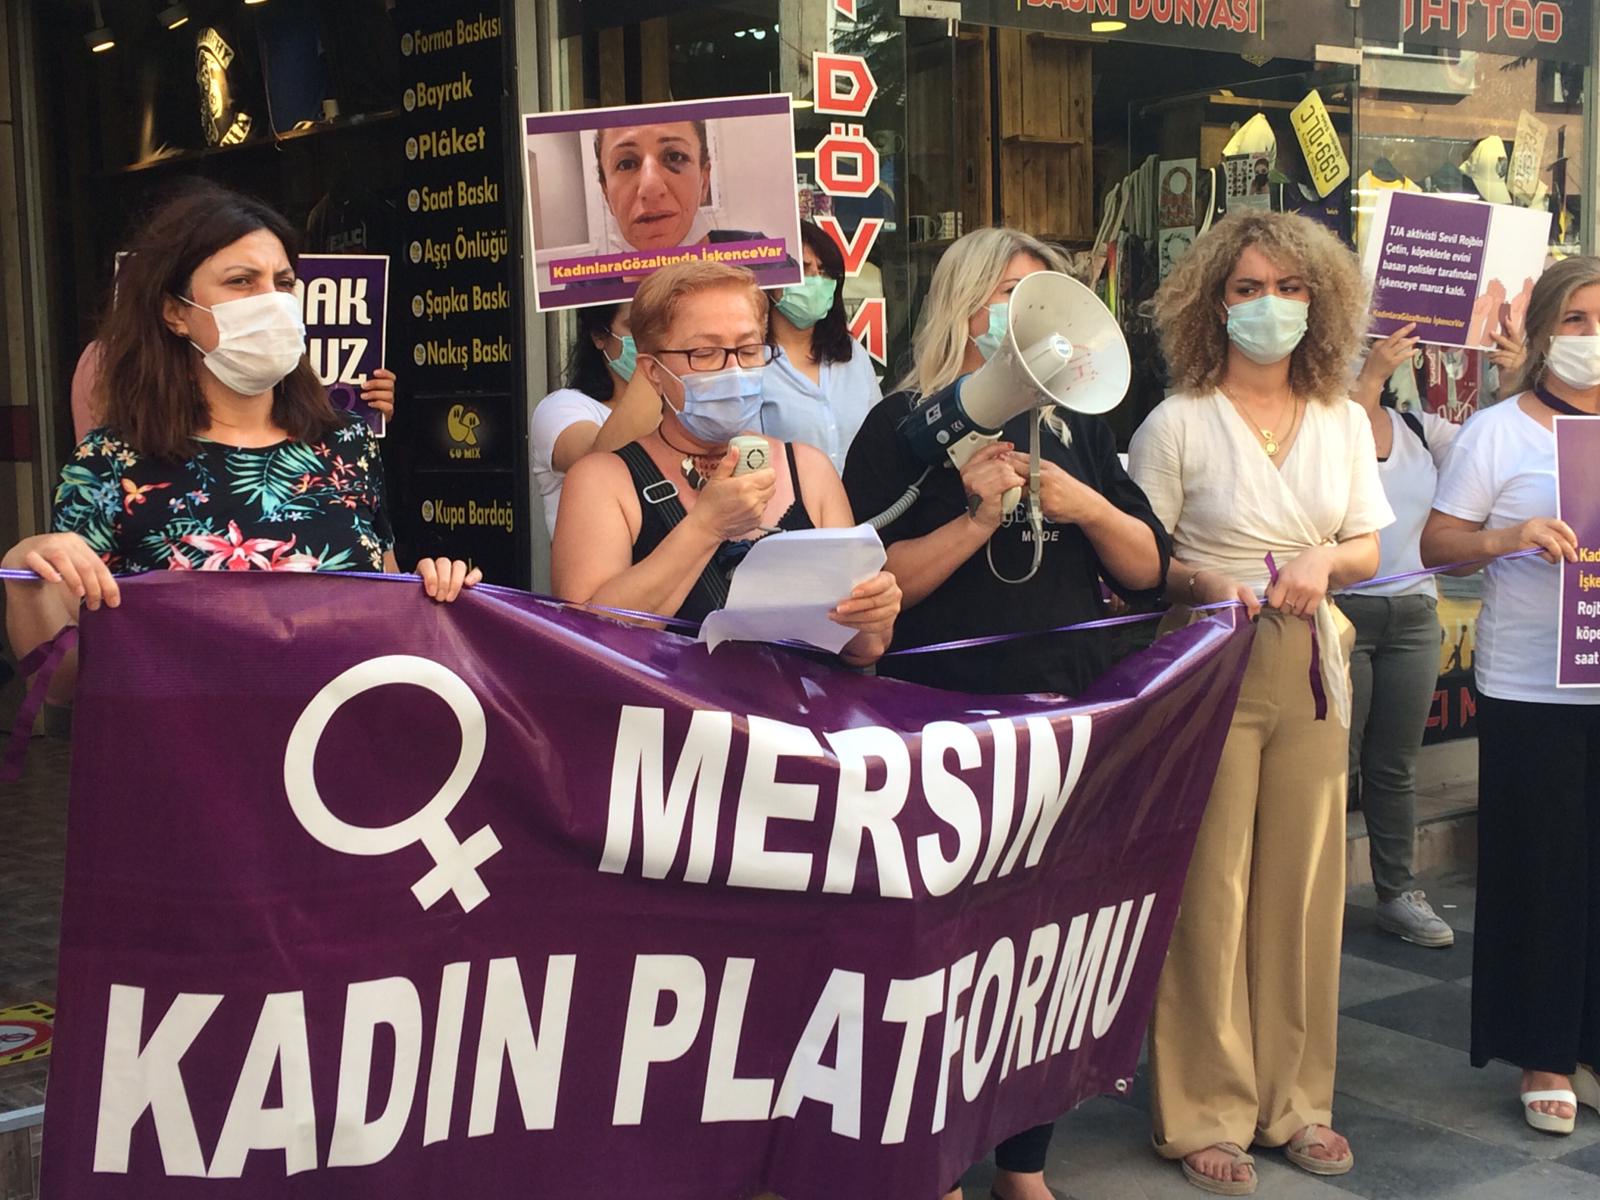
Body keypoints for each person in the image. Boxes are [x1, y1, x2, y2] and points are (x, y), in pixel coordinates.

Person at [842, 226, 1171, 1200]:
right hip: (934, 725)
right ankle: (936, 1158)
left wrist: (1089, 508)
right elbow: (872, 582)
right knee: (937, 953)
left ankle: (1025, 1162)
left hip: (1065, 721)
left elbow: (1147, 569)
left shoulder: (1080, 425)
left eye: (1045, 297)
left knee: (1044, 948)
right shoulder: (901, 427)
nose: (1031, 320)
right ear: (965, 303)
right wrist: (977, 516)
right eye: (1011, 297)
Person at [1129, 211, 1392, 1195]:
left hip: (1314, 662)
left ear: (1319, 302)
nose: (1268, 305)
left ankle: (1297, 1100)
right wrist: (1203, 580)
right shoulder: (1176, 421)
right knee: (1210, 889)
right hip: (1208, 657)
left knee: (1305, 884)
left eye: (1287, 288)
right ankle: (1204, 1106)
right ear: (1213, 303)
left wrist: (1325, 559)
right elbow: (1139, 561)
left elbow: (1367, 545)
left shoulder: (1338, 419)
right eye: (1246, 288)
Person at [4, 182, 478, 707]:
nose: (271, 300)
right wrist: (26, 571)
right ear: (175, 312)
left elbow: (387, 616)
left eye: (283, 282)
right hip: (190, 756)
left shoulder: (347, 443)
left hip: (332, 748)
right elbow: (61, 684)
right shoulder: (110, 463)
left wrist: (432, 592)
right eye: (241, 281)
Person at [1421, 256, 1600, 1137]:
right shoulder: (1498, 432)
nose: (1593, 337)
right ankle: (1542, 1049)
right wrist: (1511, 537)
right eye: (1576, 320)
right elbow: (1439, 543)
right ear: (1542, 335)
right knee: (1541, 863)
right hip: (1534, 685)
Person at [551, 260, 899, 666]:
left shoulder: (809, 470)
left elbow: (866, 648)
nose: (733, 370)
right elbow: (586, 642)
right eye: (705, 353)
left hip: (795, 706)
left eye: (749, 350)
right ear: (653, 371)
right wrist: (706, 527)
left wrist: (873, 612)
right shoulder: (604, 481)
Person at [1337, 321, 1457, 948]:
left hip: (1412, 611)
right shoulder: (1325, 420)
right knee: (1331, 763)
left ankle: (1397, 892)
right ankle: (1309, 893)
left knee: (1394, 764)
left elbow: (1491, 447)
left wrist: (1518, 370)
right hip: (1342, 609)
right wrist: (1370, 378)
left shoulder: (1417, 428)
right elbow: (1342, 446)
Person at [758, 219, 882, 471]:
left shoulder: (852, 354)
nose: (815, 278)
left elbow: (880, 435)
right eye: (803, 269)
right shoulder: (751, 360)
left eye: (825, 271)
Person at [530, 302, 661, 537]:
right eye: (637, 327)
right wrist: (656, 363)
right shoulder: (563, 407)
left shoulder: (690, 412)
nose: (654, 338)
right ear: (599, 335)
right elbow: (599, 461)